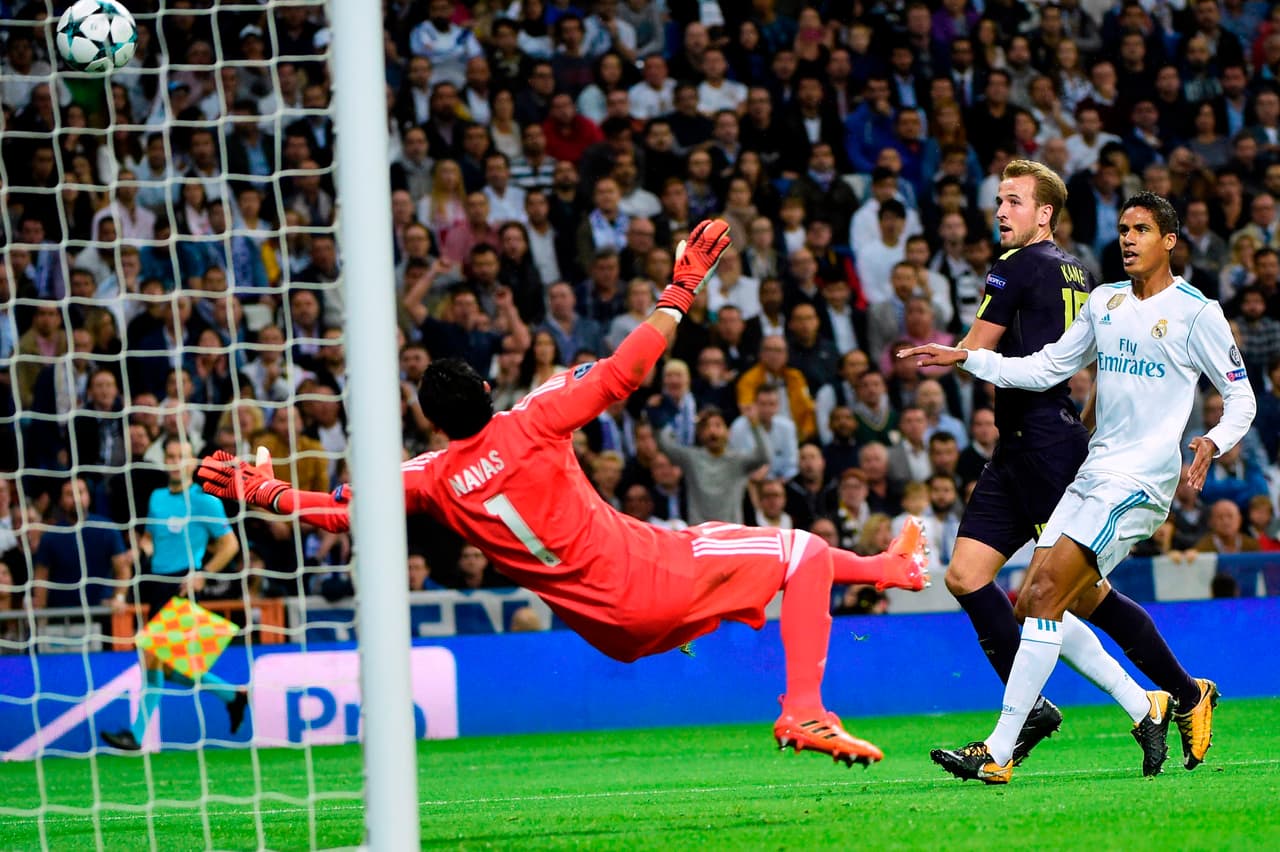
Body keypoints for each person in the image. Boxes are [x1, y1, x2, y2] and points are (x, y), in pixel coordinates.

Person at [198, 221, 929, 766]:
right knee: (798, 548)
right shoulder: (535, 420)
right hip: (649, 578)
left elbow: (341, 511)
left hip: (608, 629)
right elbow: (626, 368)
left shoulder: (430, 478)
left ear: (431, 422)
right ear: (487, 390)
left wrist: (263, 490)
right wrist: (681, 287)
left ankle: (890, 570)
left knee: (777, 558)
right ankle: (805, 709)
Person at [904, 192, 1256, 783]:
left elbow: (1242, 397)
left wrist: (1212, 441)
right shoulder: (1105, 301)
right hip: (1093, 472)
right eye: (1122, 229)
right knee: (1034, 600)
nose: (1127, 239)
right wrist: (964, 357)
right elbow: (1044, 368)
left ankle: (999, 748)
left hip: (1141, 481)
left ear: (1169, 240)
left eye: (1141, 230)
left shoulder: (1198, 312)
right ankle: (1179, 696)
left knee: (1044, 597)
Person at [100, 439, 246, 752]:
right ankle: (233, 696)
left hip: (183, 585)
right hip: (157, 584)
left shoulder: (205, 501)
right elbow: (152, 539)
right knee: (167, 668)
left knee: (150, 653)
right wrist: (136, 553)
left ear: (193, 463)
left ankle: (136, 735)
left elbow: (230, 545)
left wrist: (202, 574)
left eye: (182, 456)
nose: (175, 461)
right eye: (170, 455)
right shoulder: (157, 498)